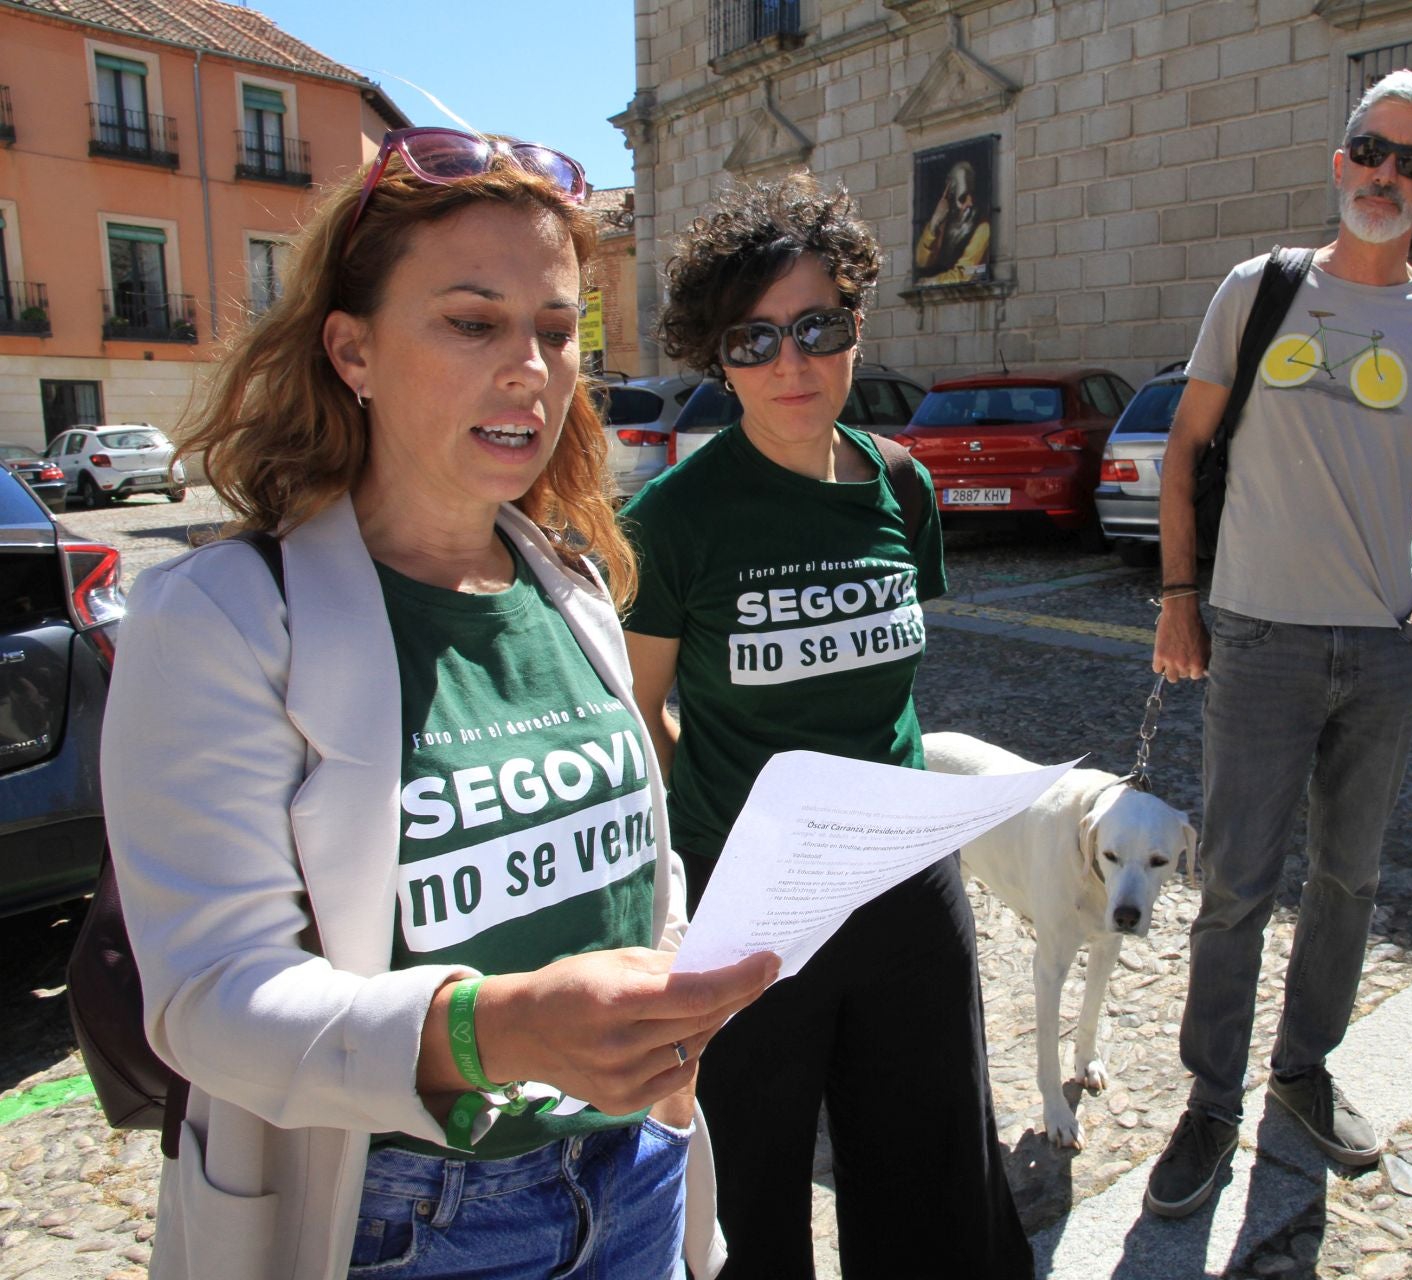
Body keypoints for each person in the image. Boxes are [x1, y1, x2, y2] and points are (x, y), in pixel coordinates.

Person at [99, 127, 777, 1280]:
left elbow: (636, 868)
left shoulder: (573, 588)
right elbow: (211, 997)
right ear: (351, 349)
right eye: (473, 322)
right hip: (403, 1219)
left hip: (636, 1174)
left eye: (557, 331)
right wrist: (495, 1027)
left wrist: (667, 999)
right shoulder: (215, 619)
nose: (532, 368)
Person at [622, 173, 1033, 1279]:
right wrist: (732, 825)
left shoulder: (901, 483)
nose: (790, 364)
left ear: (857, 322)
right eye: (752, 339)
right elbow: (636, 707)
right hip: (751, 900)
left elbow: (887, 677)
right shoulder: (673, 520)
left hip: (905, 876)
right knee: (751, 1181)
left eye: (815, 326)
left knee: (931, 1158)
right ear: (716, 357)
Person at [1145, 69, 1412, 1216]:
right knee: (1237, 883)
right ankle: (1209, 1101)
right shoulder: (1260, 289)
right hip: (1257, 636)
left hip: (1378, 646)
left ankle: (1301, 1071)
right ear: (1340, 158)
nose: (1388, 174)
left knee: (1349, 877)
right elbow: (1187, 447)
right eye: (1371, 149)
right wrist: (1180, 595)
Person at [913, 159, 990, 285]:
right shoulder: (944, 220)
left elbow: (964, 274)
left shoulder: (983, 228)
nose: (970, 203)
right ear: (950, 193)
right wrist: (933, 224)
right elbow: (921, 262)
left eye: (972, 195)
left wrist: (930, 282)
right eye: (963, 197)